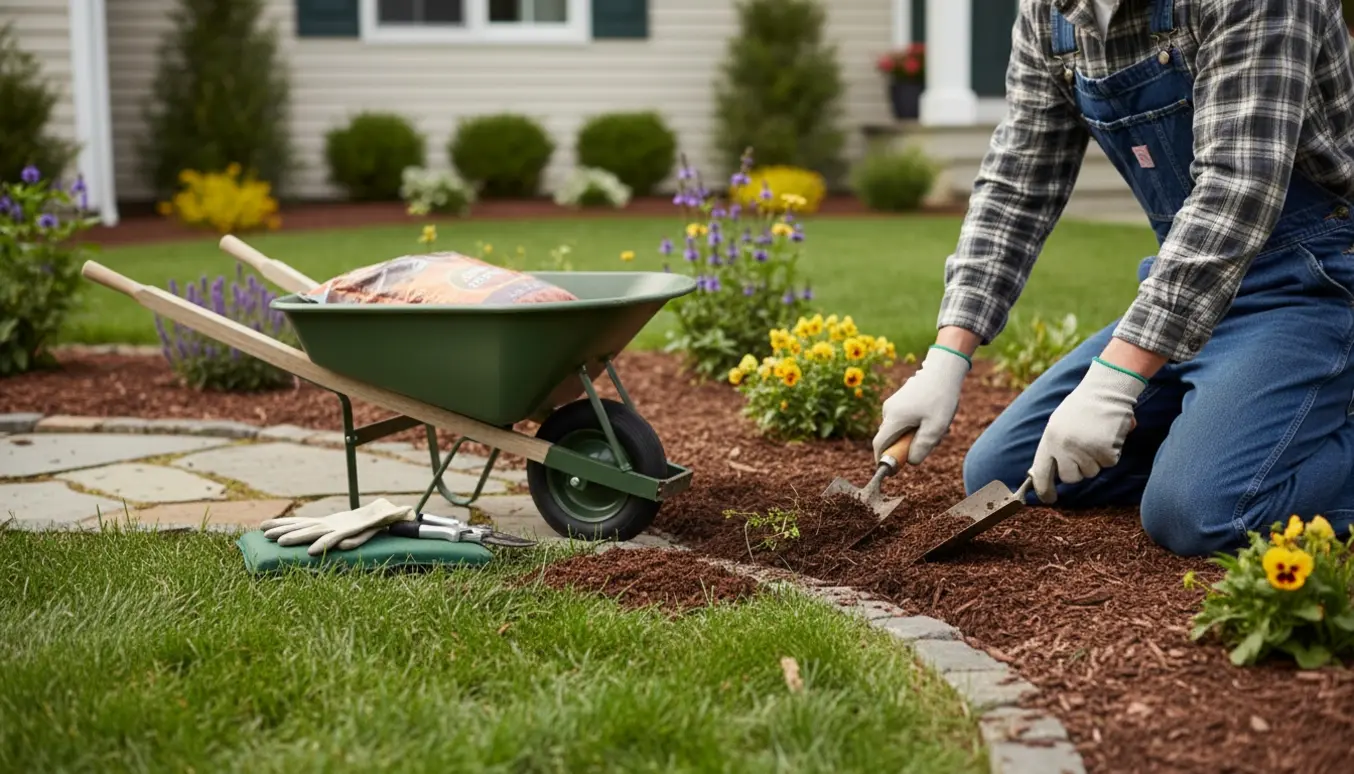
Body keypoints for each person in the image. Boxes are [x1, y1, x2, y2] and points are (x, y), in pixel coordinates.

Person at [872, 0, 1354, 556]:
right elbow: (1016, 186)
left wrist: (1114, 382)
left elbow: (1237, 188)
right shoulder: (1050, 14)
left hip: (1313, 282)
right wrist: (946, 359)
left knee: (1197, 513)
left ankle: (1240, 455)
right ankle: (1236, 440)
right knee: (1002, 469)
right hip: (1191, 290)